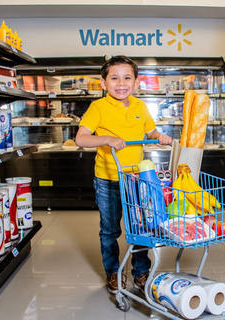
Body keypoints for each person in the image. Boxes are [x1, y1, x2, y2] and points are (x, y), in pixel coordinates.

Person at [75, 55, 172, 294]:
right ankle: (113, 272)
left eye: (127, 77)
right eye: (114, 78)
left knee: (140, 227)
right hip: (107, 179)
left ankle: (141, 272)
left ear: (137, 82)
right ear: (103, 83)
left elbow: (150, 132)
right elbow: (81, 138)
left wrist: (159, 136)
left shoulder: (140, 106)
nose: (121, 83)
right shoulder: (98, 107)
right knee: (110, 230)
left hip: (137, 181)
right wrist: (107, 139)